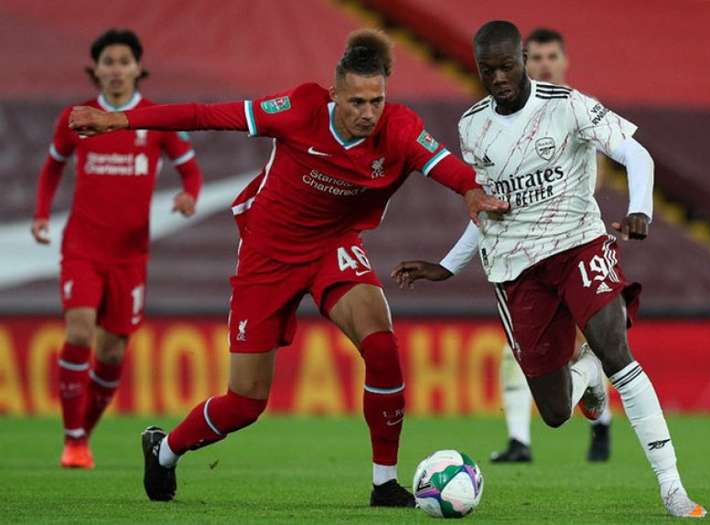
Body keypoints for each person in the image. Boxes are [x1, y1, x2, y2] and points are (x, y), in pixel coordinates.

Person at [68, 29, 507, 506]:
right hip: (268, 256)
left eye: (376, 101)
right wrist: (121, 121)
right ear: (333, 93)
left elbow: (441, 163)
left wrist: (469, 189)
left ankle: (384, 483)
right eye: (356, 101)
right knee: (246, 402)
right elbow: (205, 115)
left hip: (331, 247)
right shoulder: (299, 110)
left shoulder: (398, 128)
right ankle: (166, 449)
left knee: (381, 346)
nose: (367, 113)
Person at [394, 21, 706, 518]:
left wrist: (640, 206)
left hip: (579, 244)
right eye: (487, 70)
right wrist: (449, 266)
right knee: (557, 412)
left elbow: (635, 152)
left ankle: (672, 489)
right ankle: (588, 376)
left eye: (506, 65)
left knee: (618, 353)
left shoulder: (567, 105)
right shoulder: (473, 127)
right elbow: (487, 209)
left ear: (522, 57)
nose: (498, 77)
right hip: (517, 270)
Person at [393, 27, 613, 465]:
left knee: (589, 345)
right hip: (521, 252)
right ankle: (522, 439)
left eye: (554, 57)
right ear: (527, 60)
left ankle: (597, 420)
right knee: (525, 353)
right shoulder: (495, 123)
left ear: (564, 62)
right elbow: (491, 201)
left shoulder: (577, 111)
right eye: (540, 57)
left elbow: (595, 180)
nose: (546, 64)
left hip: (573, 244)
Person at [32, 29, 203, 470]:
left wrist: (189, 197)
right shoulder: (76, 117)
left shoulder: (154, 118)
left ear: (137, 68)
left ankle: (83, 433)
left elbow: (190, 169)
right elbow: (53, 165)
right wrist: (41, 214)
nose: (115, 69)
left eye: (123, 61)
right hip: (83, 247)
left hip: (131, 255)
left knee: (111, 354)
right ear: (96, 70)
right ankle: (72, 441)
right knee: (78, 332)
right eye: (107, 61)